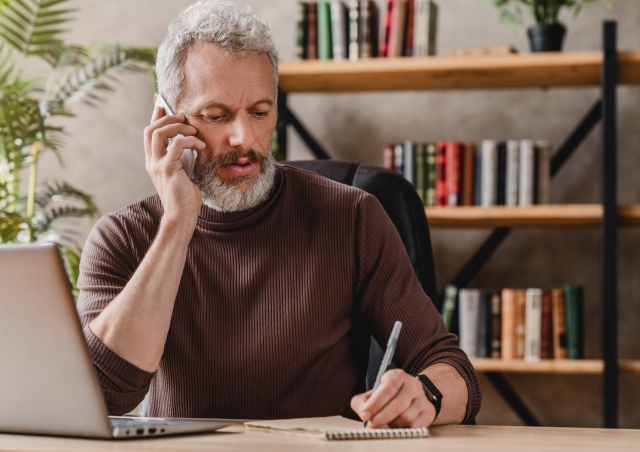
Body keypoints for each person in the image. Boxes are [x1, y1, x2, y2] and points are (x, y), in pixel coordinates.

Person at [77, 0, 481, 428]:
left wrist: (427, 396)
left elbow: (452, 370)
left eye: (260, 112)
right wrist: (177, 223)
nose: (245, 138)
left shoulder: (352, 217)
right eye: (217, 116)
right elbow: (103, 396)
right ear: (166, 119)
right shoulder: (120, 238)